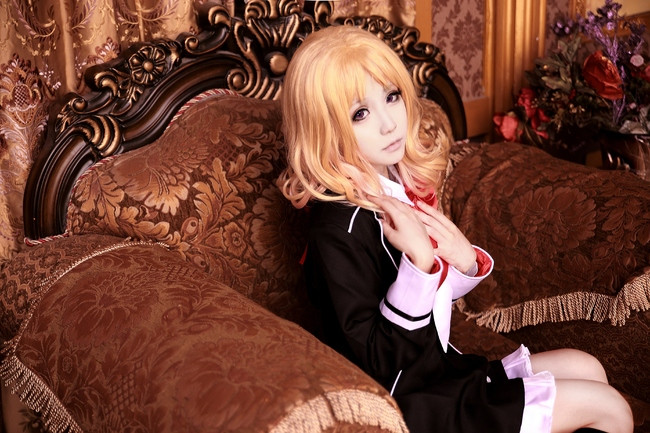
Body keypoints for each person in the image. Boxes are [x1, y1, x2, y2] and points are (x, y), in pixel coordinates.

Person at [278, 24, 633, 433]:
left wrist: (463, 262)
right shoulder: (337, 229)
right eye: (360, 114)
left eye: (391, 97)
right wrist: (420, 264)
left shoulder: (393, 182)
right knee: (611, 409)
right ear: (323, 130)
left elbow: (425, 305)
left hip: (442, 370)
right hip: (412, 402)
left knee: (586, 366)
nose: (389, 124)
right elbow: (378, 360)